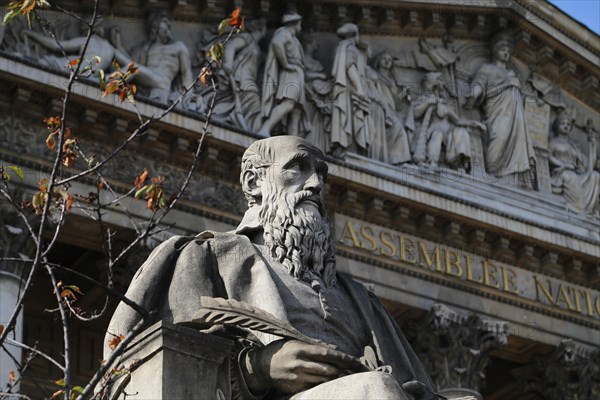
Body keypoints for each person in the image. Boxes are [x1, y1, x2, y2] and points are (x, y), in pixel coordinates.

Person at [105, 136, 438, 400]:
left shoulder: (359, 297)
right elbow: (152, 372)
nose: (316, 184)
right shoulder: (204, 257)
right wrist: (257, 369)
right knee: (373, 391)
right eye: (297, 168)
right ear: (254, 183)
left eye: (321, 173)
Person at [466, 32, 536, 185]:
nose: (506, 52)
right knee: (498, 137)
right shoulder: (487, 69)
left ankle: (513, 177)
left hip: (516, 117)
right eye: (503, 48)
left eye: (508, 50)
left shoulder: (512, 74)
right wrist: (473, 94)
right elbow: (479, 83)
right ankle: (494, 173)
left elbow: (524, 100)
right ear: (494, 50)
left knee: (519, 141)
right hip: (496, 112)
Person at [413, 72, 485, 171]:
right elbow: (415, 113)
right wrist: (429, 102)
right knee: (437, 134)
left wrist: (474, 123)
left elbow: (458, 120)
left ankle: (459, 164)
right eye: (441, 80)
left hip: (448, 130)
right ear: (435, 83)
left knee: (461, 132)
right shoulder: (425, 98)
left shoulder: (445, 103)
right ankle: (432, 162)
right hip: (434, 129)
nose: (444, 84)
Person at [123, 10, 194, 105]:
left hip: (163, 82)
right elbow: (128, 62)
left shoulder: (179, 47)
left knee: (133, 69)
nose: (169, 25)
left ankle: (105, 84)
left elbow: (186, 73)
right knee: (130, 66)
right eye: (164, 21)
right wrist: (118, 46)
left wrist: (188, 96)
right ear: (154, 26)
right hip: (148, 81)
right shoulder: (146, 48)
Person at [258, 13, 309, 138]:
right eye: (300, 24)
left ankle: (294, 143)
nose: (301, 28)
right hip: (291, 74)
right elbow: (276, 43)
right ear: (295, 23)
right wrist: (286, 64)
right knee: (288, 104)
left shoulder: (293, 38)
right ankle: (265, 128)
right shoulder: (285, 33)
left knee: (296, 111)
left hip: (297, 74)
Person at [22, 16, 125, 71]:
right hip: (89, 75)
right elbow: (130, 65)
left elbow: (56, 46)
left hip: (71, 67)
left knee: (42, 64)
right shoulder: (110, 49)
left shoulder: (88, 41)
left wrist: (31, 34)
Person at [330, 23, 370, 157]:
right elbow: (350, 66)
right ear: (355, 35)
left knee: (345, 118)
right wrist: (359, 88)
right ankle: (350, 148)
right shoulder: (350, 48)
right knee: (352, 117)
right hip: (350, 89)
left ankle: (345, 147)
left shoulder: (341, 48)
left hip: (343, 89)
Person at [549, 110, 599, 213]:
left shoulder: (574, 146)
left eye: (568, 124)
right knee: (570, 177)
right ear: (557, 126)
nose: (566, 126)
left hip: (576, 174)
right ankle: (578, 206)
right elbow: (548, 156)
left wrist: (593, 146)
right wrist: (564, 165)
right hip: (562, 172)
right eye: (563, 124)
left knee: (595, 175)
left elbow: (588, 166)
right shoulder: (554, 142)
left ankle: (588, 209)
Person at [368, 49, 412, 165]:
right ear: (378, 61)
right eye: (384, 59)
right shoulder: (374, 74)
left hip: (391, 110)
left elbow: (396, 103)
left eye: (389, 60)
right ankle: (394, 161)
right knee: (398, 129)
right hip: (380, 108)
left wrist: (403, 94)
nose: (387, 62)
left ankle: (396, 161)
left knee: (400, 131)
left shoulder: (392, 81)